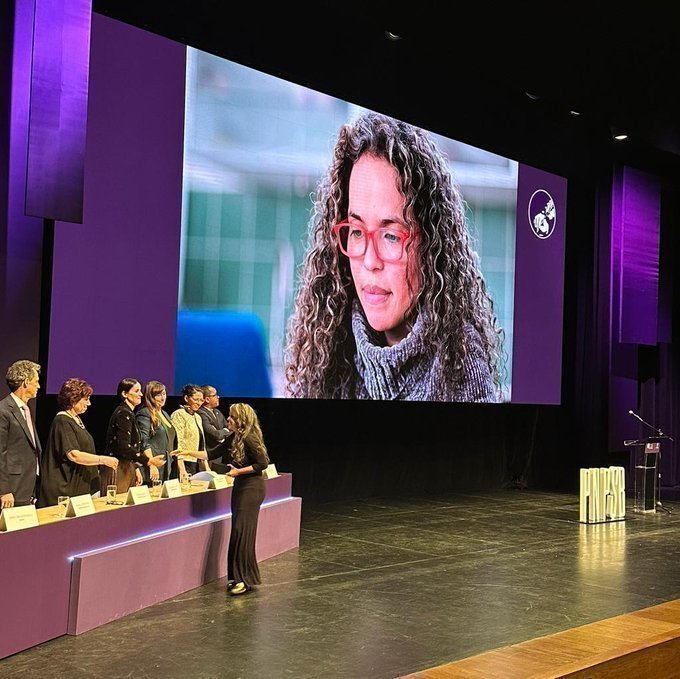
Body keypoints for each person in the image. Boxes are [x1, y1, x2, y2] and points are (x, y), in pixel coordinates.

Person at [284, 111, 504, 402]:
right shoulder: (326, 352)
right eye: (357, 231)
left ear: (430, 245)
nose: (370, 261)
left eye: (391, 236)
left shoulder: (460, 366)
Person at [39, 378, 118, 507]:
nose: (89, 403)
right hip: (64, 490)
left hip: (80, 488)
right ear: (73, 399)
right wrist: (103, 460)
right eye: (86, 399)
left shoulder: (76, 420)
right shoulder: (62, 420)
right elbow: (74, 455)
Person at [224, 403, 270, 595]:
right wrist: (186, 453)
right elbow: (212, 454)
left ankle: (243, 579)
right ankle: (237, 576)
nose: (228, 420)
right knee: (237, 531)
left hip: (252, 489)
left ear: (241, 420)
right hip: (241, 488)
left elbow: (262, 463)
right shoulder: (234, 438)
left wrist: (237, 471)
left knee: (241, 531)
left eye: (231, 417)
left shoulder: (250, 438)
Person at [101, 378, 165, 494]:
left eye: (140, 391)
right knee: (116, 507)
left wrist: (135, 467)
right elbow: (124, 447)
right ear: (124, 394)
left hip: (126, 466)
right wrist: (149, 461)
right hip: (118, 467)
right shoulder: (123, 413)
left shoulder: (129, 413)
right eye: (136, 391)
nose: (141, 394)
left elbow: (132, 446)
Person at [0, 360, 42, 508]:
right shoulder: (4, 410)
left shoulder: (25, 409)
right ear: (25, 382)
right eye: (36, 381)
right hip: (12, 489)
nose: (39, 386)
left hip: (27, 486)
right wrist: (4, 490)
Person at [136, 381, 176, 483]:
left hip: (166, 466)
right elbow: (143, 441)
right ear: (150, 396)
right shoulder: (145, 413)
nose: (163, 398)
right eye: (158, 395)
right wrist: (151, 463)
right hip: (152, 466)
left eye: (164, 394)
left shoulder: (165, 414)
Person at [170, 384, 210, 480]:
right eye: (196, 399)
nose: (199, 403)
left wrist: (207, 467)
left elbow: (202, 445)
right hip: (183, 463)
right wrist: (182, 469)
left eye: (201, 400)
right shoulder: (179, 414)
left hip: (197, 463)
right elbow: (178, 443)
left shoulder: (198, 417)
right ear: (186, 398)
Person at [198, 384, 232, 472]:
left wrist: (224, 431)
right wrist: (225, 431)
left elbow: (230, 429)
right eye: (215, 395)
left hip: (220, 457)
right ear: (207, 399)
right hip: (209, 456)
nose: (218, 397)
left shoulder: (218, 412)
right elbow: (215, 435)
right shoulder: (201, 413)